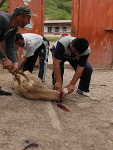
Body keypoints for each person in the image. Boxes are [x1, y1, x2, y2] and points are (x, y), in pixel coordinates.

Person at [0, 6, 36, 95]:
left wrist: (15, 62)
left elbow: (10, 47)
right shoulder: (2, 19)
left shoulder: (14, 28)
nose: (28, 22)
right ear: (20, 17)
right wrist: (4, 59)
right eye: (28, 19)